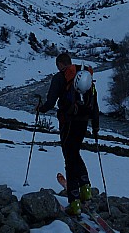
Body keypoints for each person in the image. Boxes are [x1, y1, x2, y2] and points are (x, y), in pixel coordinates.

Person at [37, 52, 99, 215]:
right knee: (75, 152)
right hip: (83, 121)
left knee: (69, 158)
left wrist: (40, 108)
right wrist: (96, 126)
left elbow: (50, 102)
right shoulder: (85, 76)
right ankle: (85, 188)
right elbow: (94, 102)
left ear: (60, 64)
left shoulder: (60, 77)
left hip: (68, 122)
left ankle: (74, 203)